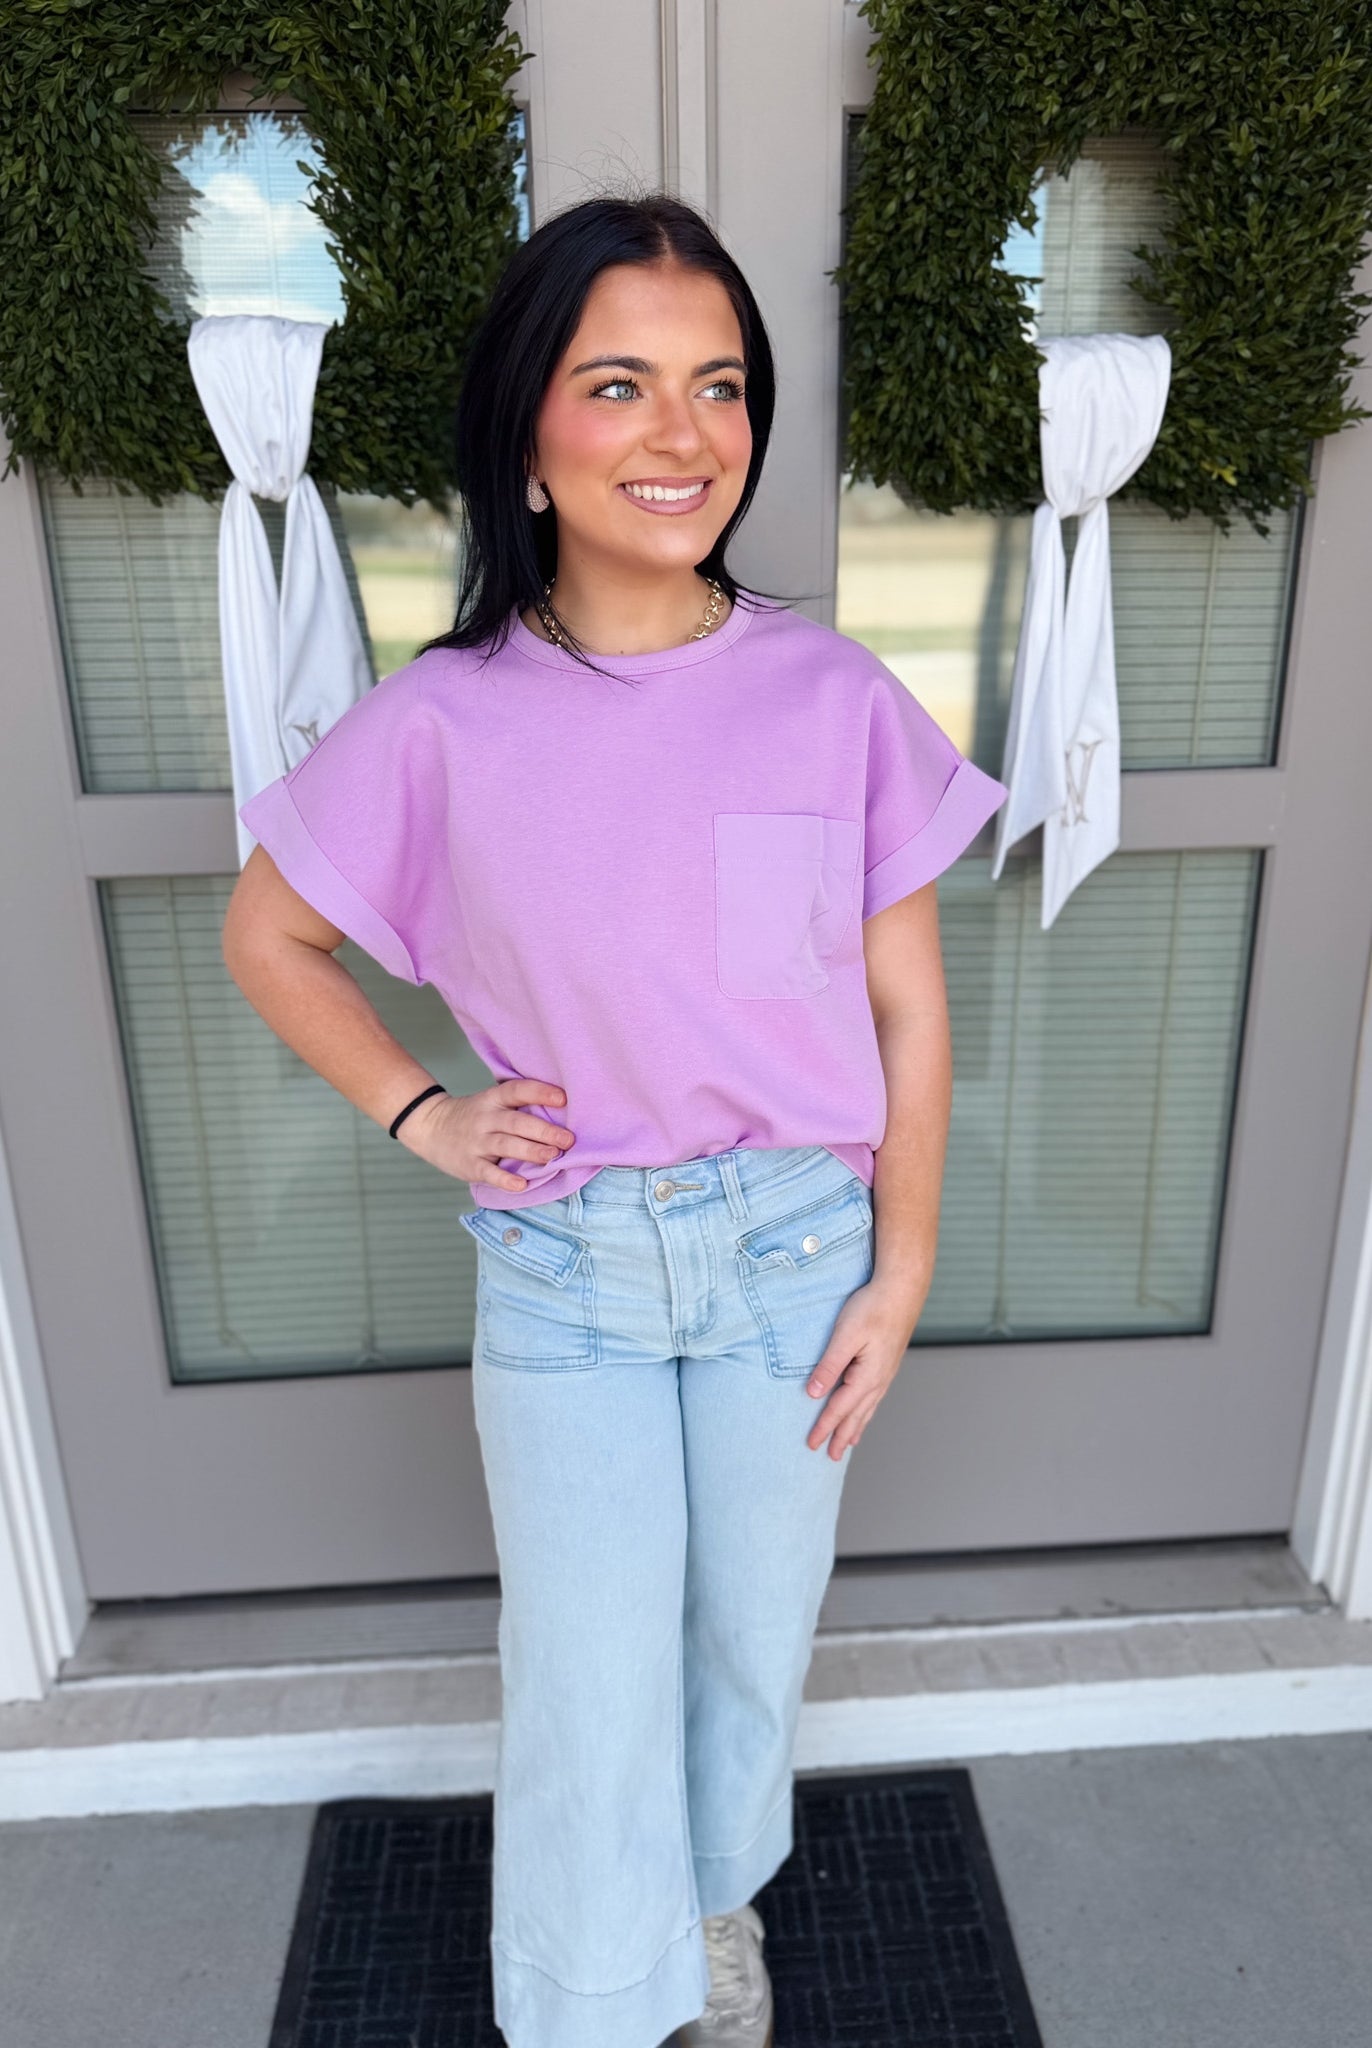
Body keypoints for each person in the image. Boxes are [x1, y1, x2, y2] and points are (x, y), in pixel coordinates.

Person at [223, 191, 1008, 2048]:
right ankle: (590, 1999)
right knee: (585, 1672)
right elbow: (275, 932)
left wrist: (900, 1272)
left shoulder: (829, 697)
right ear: (528, 431)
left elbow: (904, 1005)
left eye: (721, 385)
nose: (686, 435)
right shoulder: (447, 721)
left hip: (793, 1264)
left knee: (750, 1636)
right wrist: (424, 1112)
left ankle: (712, 1908)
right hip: (569, 1270)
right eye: (624, 384)